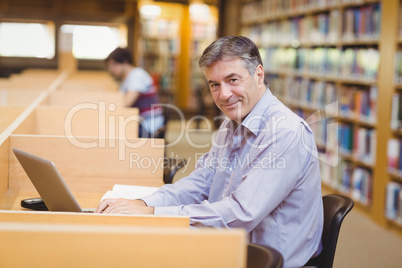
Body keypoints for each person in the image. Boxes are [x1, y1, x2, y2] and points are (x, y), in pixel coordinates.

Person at [97, 36, 323, 267]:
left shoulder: (284, 132)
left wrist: (154, 212)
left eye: (232, 80)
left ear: (259, 75)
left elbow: (241, 214)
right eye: (214, 84)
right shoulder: (232, 123)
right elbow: (200, 183)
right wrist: (143, 204)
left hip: (264, 259)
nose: (223, 94)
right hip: (229, 245)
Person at [105, 47, 164, 138]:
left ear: (125, 62)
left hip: (148, 125)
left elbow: (126, 103)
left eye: (114, 65)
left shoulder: (137, 75)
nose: (111, 69)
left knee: (112, 132)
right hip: (141, 121)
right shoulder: (127, 78)